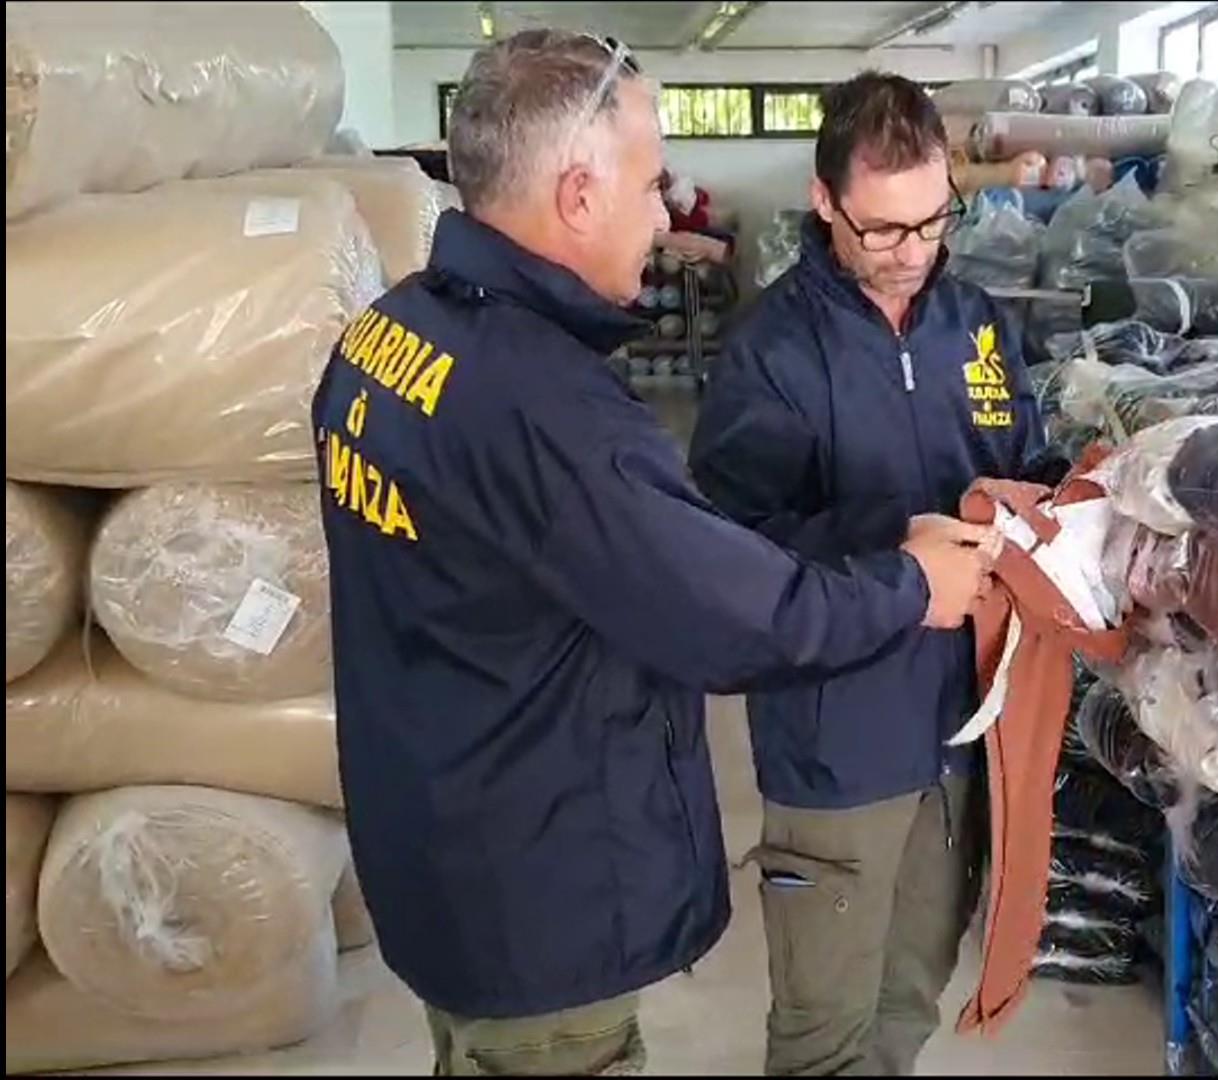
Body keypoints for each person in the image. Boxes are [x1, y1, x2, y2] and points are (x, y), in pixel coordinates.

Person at [309, 32, 996, 1077]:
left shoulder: (391, 336)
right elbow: (728, 612)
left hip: (445, 843)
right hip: (537, 887)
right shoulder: (546, 408)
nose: (667, 213)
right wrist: (910, 586)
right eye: (650, 184)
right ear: (579, 194)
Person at [689, 72, 1044, 1076]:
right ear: (824, 201)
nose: (912, 251)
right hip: (836, 742)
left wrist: (1057, 505)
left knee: (908, 1001)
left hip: (961, 736)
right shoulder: (770, 350)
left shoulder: (978, 324)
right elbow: (730, 546)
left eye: (933, 221)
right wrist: (898, 546)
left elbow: (1027, 458)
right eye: (883, 228)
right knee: (824, 1034)